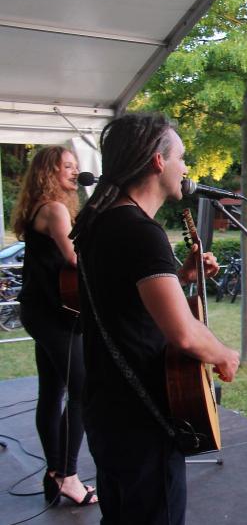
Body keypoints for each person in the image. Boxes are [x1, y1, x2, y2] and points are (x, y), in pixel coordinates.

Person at [71, 113, 239, 523]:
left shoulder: (100, 222)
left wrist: (179, 277)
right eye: (181, 156)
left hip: (108, 407)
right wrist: (223, 353)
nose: (186, 167)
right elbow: (182, 334)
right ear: (158, 162)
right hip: (141, 418)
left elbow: (125, 302)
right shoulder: (140, 232)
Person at [13, 146, 98, 506]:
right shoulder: (56, 209)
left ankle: (54, 472)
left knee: (53, 390)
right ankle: (69, 475)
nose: (74, 172)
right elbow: (75, 258)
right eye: (67, 166)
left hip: (40, 310)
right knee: (83, 391)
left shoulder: (40, 207)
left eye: (76, 166)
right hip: (55, 315)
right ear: (49, 171)